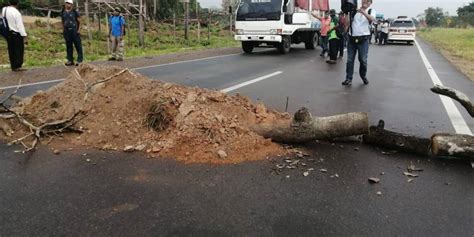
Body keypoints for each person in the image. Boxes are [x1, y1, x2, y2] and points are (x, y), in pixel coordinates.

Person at [342, 0, 375, 86]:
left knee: (363, 60)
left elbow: (372, 19)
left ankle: (363, 76)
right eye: (364, 0)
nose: (365, 2)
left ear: (370, 3)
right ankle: (348, 79)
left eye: (367, 1)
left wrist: (363, 12)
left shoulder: (371, 11)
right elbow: (347, 24)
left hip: (363, 40)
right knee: (349, 60)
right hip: (352, 39)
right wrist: (346, 13)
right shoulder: (354, 11)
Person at [1, 0, 28, 72]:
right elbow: (20, 26)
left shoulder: (4, 9)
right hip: (16, 33)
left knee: (11, 49)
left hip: (8, 33)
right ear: (18, 3)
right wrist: (24, 36)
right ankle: (18, 66)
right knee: (18, 50)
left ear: (9, 2)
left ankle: (13, 66)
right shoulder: (16, 13)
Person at [61, 0, 83, 66]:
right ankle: (70, 60)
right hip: (67, 31)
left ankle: (79, 60)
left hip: (74, 30)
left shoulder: (74, 12)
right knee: (68, 46)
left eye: (69, 3)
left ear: (71, 5)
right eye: (67, 3)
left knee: (78, 45)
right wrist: (63, 30)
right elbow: (62, 21)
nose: (68, 5)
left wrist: (78, 30)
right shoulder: (63, 12)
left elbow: (80, 21)